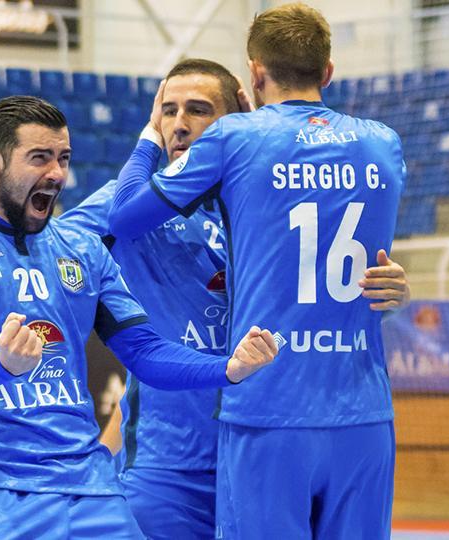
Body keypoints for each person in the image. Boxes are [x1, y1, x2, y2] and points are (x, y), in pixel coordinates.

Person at [0, 61, 411, 538]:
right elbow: (26, 247)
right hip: (169, 463)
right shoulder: (128, 205)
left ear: (240, 118)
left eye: (198, 110)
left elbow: (335, 279)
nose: (178, 124)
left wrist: (394, 288)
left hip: (266, 440)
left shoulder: (271, 196)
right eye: (167, 111)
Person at [0, 95, 279, 539]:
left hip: (91, 486)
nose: (57, 174)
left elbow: (145, 351)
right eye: (39, 158)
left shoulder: (81, 249)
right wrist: (2, 363)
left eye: (63, 158)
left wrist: (229, 369)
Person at [108, 4, 405, 539]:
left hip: (269, 409)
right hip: (363, 413)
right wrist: (396, 281)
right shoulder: (384, 143)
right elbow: (366, 254)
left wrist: (153, 135)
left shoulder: (237, 138)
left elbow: (124, 216)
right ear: (328, 71)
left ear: (255, 74)